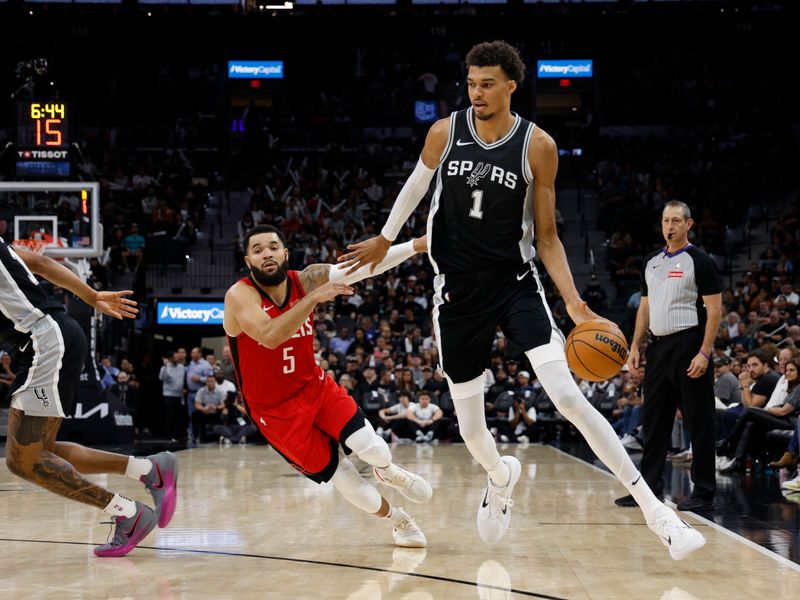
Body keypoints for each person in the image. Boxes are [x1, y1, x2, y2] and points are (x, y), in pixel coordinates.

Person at [337, 40, 704, 559]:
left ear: (512, 86)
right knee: (470, 429)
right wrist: (385, 234)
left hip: (514, 282)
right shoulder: (445, 131)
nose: (477, 92)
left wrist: (575, 304)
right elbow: (416, 187)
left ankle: (658, 515)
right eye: (470, 83)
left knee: (568, 395)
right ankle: (500, 474)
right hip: (457, 292)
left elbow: (548, 236)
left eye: (487, 83)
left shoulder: (538, 146)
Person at [223, 224, 432, 548]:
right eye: (258, 249)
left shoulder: (305, 278)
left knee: (374, 448)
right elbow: (270, 335)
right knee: (344, 479)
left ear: (285, 254)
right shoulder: (240, 295)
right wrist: (314, 299)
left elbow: (362, 268)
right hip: (274, 411)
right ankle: (398, 520)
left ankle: (387, 471)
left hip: (314, 387)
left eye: (273, 247)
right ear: (248, 260)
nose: (267, 253)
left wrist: (415, 246)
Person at [0, 238, 177, 557]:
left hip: (44, 340)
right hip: (46, 339)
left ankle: (127, 511)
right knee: (42, 451)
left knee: (23, 459)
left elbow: (39, 264)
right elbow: (39, 263)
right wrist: (91, 296)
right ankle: (149, 469)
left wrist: (93, 295)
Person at [619, 201, 722, 513]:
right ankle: (648, 489)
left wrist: (705, 352)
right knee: (654, 421)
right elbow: (645, 309)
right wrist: (635, 346)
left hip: (690, 343)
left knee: (698, 420)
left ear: (688, 224)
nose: (670, 226)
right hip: (658, 346)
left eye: (676, 220)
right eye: (666, 220)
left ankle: (703, 492)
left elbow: (715, 311)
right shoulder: (650, 262)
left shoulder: (700, 261)